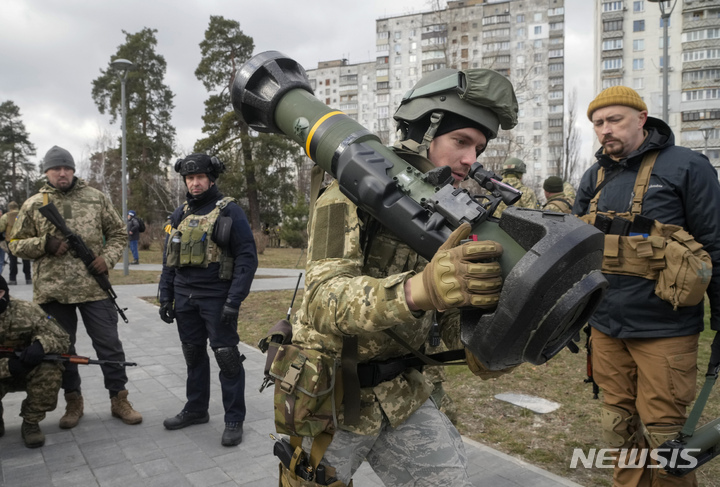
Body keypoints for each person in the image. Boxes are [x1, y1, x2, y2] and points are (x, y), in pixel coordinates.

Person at [289, 68, 517, 486]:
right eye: (461, 141)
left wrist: (486, 340)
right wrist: (420, 289)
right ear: (423, 133)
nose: (471, 159)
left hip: (404, 392)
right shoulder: (347, 195)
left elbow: (445, 321)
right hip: (330, 397)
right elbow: (323, 301)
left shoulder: (454, 216)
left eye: (479, 148)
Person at [574, 86, 720, 487]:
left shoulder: (688, 167)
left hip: (665, 331)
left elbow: (716, 244)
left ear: (642, 118)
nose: (605, 130)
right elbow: (574, 251)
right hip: (606, 327)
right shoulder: (595, 176)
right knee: (618, 428)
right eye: (598, 123)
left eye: (614, 119)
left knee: (665, 438)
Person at [8, 145, 142, 429]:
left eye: (67, 168)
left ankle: (119, 398)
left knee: (109, 346)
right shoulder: (33, 203)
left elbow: (119, 233)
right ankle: (73, 401)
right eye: (56, 168)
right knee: (63, 350)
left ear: (73, 171)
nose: (62, 173)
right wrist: (44, 244)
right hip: (52, 292)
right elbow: (14, 243)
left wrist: (107, 259)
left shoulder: (96, 199)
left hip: (94, 289)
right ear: (46, 172)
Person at [158, 153, 258, 447]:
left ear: (211, 179)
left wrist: (234, 300)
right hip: (185, 297)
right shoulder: (179, 214)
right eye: (190, 178)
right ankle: (196, 409)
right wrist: (165, 296)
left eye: (200, 177)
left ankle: (234, 418)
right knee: (193, 355)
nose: (195, 183)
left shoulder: (230, 211)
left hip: (217, 297)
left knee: (226, 357)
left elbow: (247, 259)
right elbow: (169, 259)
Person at [0, 275, 70, 448]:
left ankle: (31, 423)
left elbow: (61, 337)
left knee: (50, 370)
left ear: (3, 293)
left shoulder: (26, 310)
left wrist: (41, 345)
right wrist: (8, 366)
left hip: (27, 370)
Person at [0, 202, 32, 285]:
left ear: (9, 207)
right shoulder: (24, 214)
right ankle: (28, 278)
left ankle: (13, 279)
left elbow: (1, 228)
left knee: (13, 260)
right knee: (26, 259)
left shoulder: (6, 216)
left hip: (11, 241)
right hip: (24, 240)